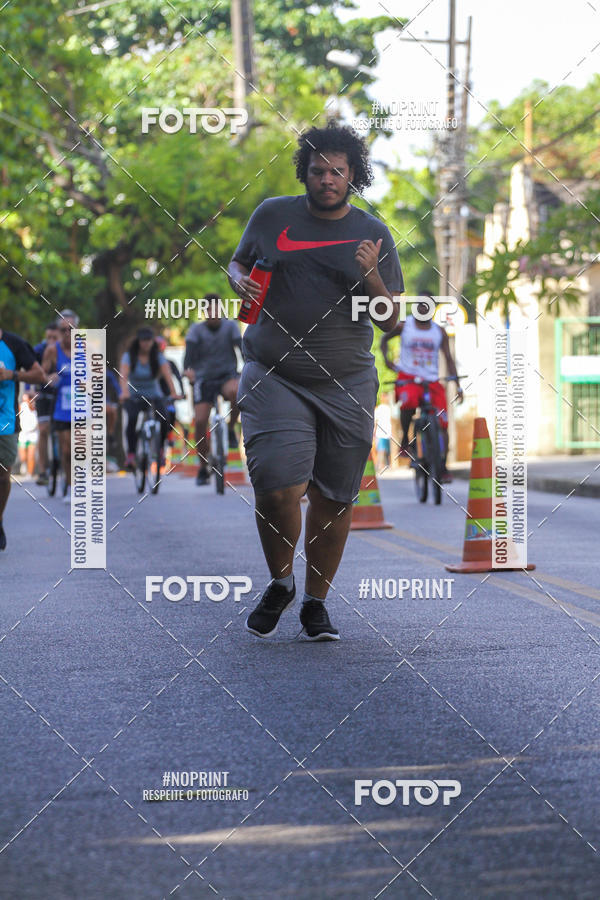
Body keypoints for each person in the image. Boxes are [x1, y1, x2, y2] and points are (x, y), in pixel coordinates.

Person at [228, 121, 403, 641]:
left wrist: (370, 274)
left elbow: (390, 321)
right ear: (304, 173)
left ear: (353, 176)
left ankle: (314, 603)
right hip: (274, 374)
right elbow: (240, 262)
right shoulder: (272, 215)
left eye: (338, 171)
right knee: (278, 484)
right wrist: (238, 277)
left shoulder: (373, 233)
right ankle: (280, 583)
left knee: (334, 498)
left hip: (346, 381)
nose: (327, 178)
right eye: (318, 170)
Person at [380, 298, 463, 482]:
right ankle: (405, 444)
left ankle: (442, 466)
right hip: (408, 377)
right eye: (420, 306)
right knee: (408, 401)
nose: (423, 309)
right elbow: (384, 338)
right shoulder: (405, 326)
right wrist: (386, 360)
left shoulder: (438, 331)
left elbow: (449, 358)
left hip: (432, 380)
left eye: (427, 307)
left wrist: (457, 384)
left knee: (443, 421)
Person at [183, 295, 242, 486]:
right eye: (209, 310)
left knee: (237, 391)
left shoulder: (231, 326)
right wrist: (188, 371)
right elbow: (188, 357)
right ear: (204, 312)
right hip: (204, 379)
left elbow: (242, 350)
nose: (213, 314)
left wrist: (249, 367)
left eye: (216, 310)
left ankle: (231, 428)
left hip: (226, 376)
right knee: (200, 421)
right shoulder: (196, 330)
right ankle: (203, 466)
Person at [0, 326, 45, 550]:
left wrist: (12, 374)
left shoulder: (14, 343)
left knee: (2, 477)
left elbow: (39, 374)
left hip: (6, 421)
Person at [119, 327, 178, 469]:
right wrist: (124, 392)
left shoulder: (157, 356)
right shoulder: (129, 356)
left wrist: (173, 392)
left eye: (149, 340)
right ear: (138, 341)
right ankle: (131, 455)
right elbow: (123, 376)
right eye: (143, 340)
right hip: (135, 395)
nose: (146, 343)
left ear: (153, 342)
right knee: (132, 419)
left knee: (165, 418)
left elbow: (167, 375)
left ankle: (161, 450)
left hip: (154, 395)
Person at [41, 310, 79, 503]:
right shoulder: (52, 351)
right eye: (63, 329)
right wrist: (50, 378)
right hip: (61, 407)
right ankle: (71, 487)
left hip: (82, 406)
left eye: (70, 329)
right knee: (66, 450)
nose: (67, 333)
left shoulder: (87, 349)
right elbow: (41, 374)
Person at [32, 321, 59, 485]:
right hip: (42, 392)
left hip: (62, 394)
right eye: (48, 337)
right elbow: (28, 368)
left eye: (54, 337)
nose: (50, 340)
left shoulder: (67, 350)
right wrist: (30, 389)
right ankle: (42, 470)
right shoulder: (38, 350)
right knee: (43, 430)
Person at [17, 392, 38, 477]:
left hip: (33, 434)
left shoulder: (36, 407)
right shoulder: (21, 406)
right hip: (23, 434)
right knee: (23, 456)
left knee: (31, 455)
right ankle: (24, 465)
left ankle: (30, 473)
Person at [374, 395, 392, 474]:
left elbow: (375, 421)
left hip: (383, 432)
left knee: (382, 450)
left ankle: (382, 465)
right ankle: (382, 465)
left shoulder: (380, 409)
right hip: (384, 432)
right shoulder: (387, 408)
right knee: (383, 450)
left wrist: (374, 432)